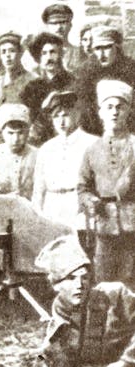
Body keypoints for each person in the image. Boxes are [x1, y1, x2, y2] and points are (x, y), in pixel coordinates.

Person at [33, 235, 135, 367]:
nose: (80, 284)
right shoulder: (61, 306)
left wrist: (126, 362)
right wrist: (41, 360)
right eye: (71, 278)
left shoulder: (116, 294)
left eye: (85, 277)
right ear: (56, 285)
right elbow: (50, 345)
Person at [78, 80, 135, 285]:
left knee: (131, 284)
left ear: (129, 111)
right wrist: (91, 201)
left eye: (120, 107)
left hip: (132, 226)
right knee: (103, 283)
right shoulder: (92, 150)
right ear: (100, 112)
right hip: (104, 227)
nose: (115, 112)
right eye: (109, 107)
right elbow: (83, 188)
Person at [32, 91, 97, 233]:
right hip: (51, 208)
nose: (61, 121)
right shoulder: (46, 149)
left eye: (65, 115)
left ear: (77, 114)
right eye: (56, 116)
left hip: (78, 207)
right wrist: (37, 217)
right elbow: (39, 189)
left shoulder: (92, 144)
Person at [74, 25, 135, 135]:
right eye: (97, 48)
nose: (102, 54)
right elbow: (83, 108)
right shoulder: (86, 72)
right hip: (95, 131)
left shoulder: (131, 70)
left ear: (117, 47)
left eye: (107, 47)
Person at [21, 32, 75, 146]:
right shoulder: (31, 88)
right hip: (41, 143)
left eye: (52, 52)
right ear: (39, 58)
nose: (49, 58)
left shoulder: (73, 82)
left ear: (60, 55)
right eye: (44, 53)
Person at [42, 3, 84, 72]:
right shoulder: (39, 53)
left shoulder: (80, 53)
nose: (59, 27)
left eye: (63, 22)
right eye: (54, 23)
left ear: (70, 25)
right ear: (47, 27)